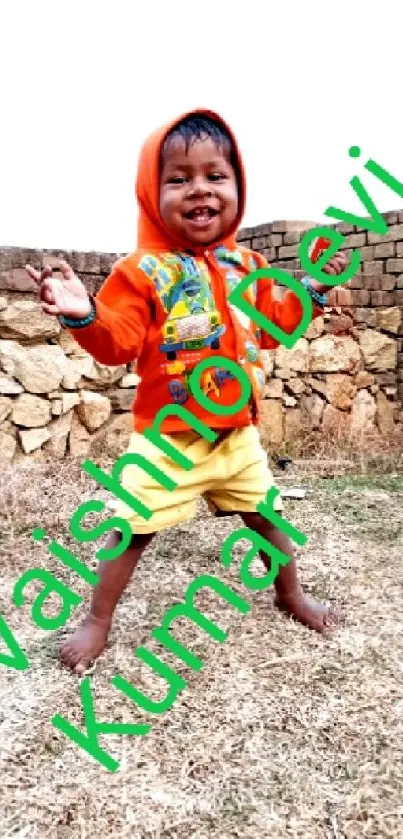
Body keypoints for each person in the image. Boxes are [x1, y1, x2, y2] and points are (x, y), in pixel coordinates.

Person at [26, 108, 352, 675]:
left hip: (237, 437)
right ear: (152, 193)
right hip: (167, 442)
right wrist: (85, 316)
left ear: (237, 185)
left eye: (215, 176)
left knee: (269, 517)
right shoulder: (140, 271)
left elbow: (274, 325)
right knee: (130, 529)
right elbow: (119, 342)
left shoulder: (246, 265)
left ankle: (289, 594)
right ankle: (97, 620)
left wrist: (312, 289)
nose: (199, 188)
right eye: (178, 178)